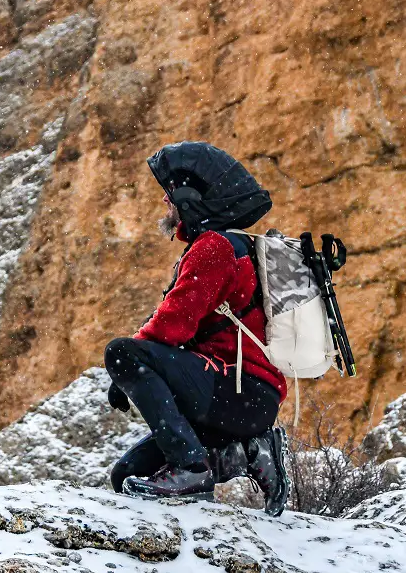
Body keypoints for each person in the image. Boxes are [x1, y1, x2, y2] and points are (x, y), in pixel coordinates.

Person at [104, 141, 290, 516]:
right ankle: (248, 451)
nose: (165, 204)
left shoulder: (214, 247)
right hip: (246, 400)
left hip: (238, 389)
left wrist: (126, 369)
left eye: (170, 195)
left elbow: (172, 327)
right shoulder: (233, 245)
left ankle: (190, 469)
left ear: (190, 199)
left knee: (121, 352)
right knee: (126, 474)